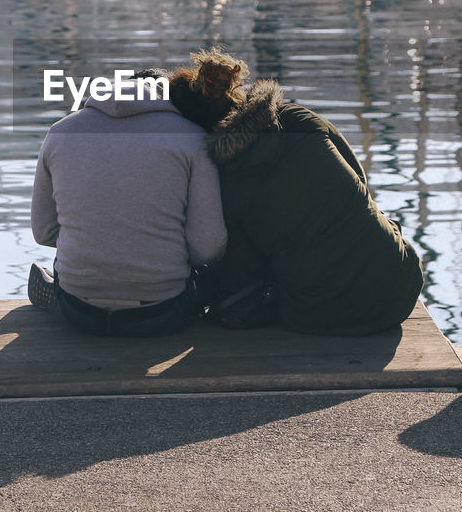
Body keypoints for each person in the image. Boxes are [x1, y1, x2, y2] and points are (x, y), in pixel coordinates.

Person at [168, 48, 425, 336]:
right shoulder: (300, 120)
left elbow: (241, 273)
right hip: (402, 283)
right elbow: (359, 182)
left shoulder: (224, 183)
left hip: (320, 314)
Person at [29, 68, 227, 336]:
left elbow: (43, 232)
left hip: (79, 310)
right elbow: (208, 247)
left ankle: (56, 293)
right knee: (218, 280)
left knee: (69, 273)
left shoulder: (60, 132)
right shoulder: (192, 139)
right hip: (161, 312)